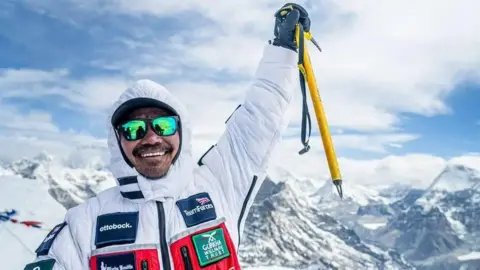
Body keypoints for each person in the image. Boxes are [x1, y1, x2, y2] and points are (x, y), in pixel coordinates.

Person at [24, 3, 311, 270]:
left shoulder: (218, 186)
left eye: (163, 125)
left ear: (180, 130)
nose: (150, 138)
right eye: (133, 129)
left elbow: (258, 119)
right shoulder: (83, 226)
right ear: (118, 141)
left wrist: (283, 51)